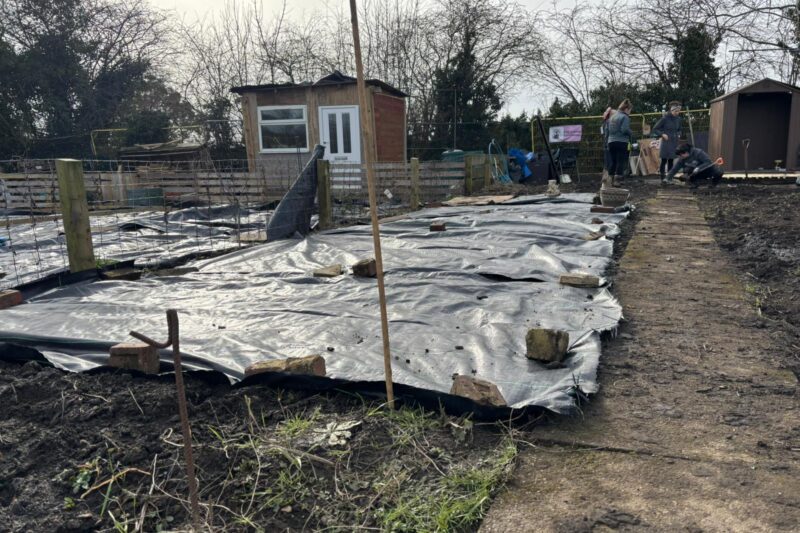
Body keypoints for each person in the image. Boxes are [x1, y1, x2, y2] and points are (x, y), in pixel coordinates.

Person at [652, 101, 682, 183]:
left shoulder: (679, 119)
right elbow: (655, 129)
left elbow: (680, 129)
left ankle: (669, 178)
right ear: (671, 110)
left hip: (674, 142)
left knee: (671, 160)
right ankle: (662, 178)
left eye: (679, 111)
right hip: (666, 142)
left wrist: (679, 134)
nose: (677, 113)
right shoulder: (665, 119)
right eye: (676, 111)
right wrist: (662, 134)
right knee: (664, 160)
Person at [606, 99, 633, 185]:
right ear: (626, 109)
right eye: (630, 110)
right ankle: (617, 180)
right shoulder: (625, 117)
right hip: (621, 141)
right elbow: (624, 129)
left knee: (613, 161)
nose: (630, 112)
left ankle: (610, 179)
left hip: (611, 141)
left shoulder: (612, 117)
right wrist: (631, 133)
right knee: (620, 161)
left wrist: (608, 141)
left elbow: (607, 130)